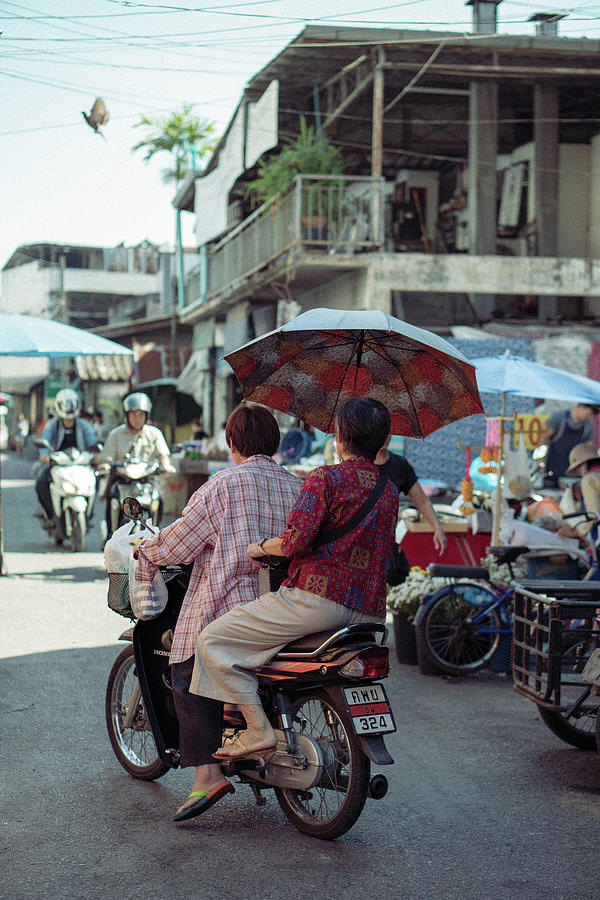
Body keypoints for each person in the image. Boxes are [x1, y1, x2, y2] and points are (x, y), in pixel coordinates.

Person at [189, 398, 398, 796]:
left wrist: (259, 549)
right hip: (369, 611)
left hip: (316, 601)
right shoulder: (389, 491)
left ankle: (257, 729)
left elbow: (294, 542)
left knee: (213, 641)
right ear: (383, 440)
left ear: (339, 437)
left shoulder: (325, 479)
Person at [134, 404, 302, 821]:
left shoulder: (222, 485)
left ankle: (207, 775)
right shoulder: (297, 487)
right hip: (286, 609)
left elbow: (178, 543)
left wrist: (146, 552)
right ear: (276, 443)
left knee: (185, 668)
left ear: (232, 443)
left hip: (231, 607)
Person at [374, 435, 447, 558]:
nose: (384, 436)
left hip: (386, 545)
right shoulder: (358, 465)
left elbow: (422, 501)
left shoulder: (399, 465)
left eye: (387, 431)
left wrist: (437, 527)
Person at [35, 389, 100, 523]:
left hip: (79, 465)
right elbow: (45, 442)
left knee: (96, 478)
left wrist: (96, 454)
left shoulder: (84, 425)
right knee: (41, 482)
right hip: (57, 464)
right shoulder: (51, 424)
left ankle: (89, 513)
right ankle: (51, 515)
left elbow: (92, 442)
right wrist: (45, 456)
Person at [539, 403, 599, 488]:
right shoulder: (559, 418)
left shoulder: (588, 426)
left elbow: (588, 450)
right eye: (588, 414)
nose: (588, 417)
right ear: (581, 406)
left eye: (591, 416)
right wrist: (539, 462)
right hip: (552, 471)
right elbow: (543, 440)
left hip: (573, 475)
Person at [557, 442, 600, 543]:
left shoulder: (589, 479)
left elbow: (594, 514)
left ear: (584, 465)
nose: (578, 473)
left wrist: (576, 531)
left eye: (577, 469)